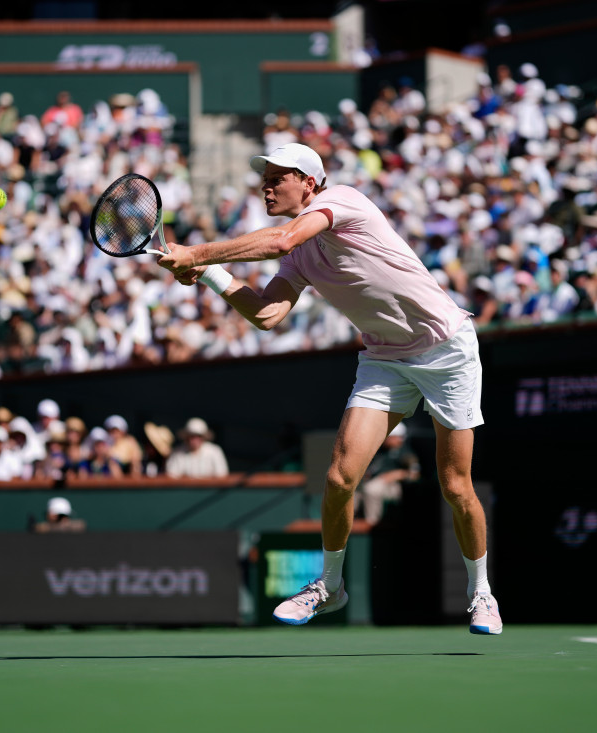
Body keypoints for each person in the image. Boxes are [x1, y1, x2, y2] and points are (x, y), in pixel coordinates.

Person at [157, 142, 501, 634]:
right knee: (340, 478)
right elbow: (268, 314)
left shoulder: (344, 199)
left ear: (310, 184)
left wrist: (197, 251)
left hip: (447, 349)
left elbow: (279, 240)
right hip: (385, 358)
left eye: (279, 176)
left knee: (455, 485)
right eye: (265, 177)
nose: (267, 185)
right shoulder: (300, 256)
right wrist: (211, 273)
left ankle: (481, 592)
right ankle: (331, 587)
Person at [355, 421, 420, 524]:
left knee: (371, 490)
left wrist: (395, 475)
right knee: (353, 495)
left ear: (399, 437)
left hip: (395, 488)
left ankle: (373, 524)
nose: (386, 438)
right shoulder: (380, 451)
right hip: (374, 483)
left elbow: (414, 475)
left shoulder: (406, 453)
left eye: (389, 436)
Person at [164, 417, 229, 479]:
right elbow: (171, 476)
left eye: (198, 436)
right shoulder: (177, 452)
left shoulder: (215, 451)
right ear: (186, 437)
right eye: (191, 436)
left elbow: (222, 476)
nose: (194, 440)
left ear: (203, 437)